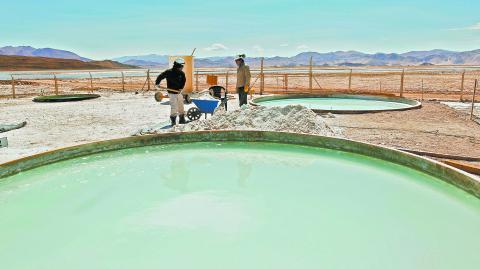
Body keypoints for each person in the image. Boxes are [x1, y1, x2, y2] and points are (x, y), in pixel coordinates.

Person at [155, 58, 187, 126]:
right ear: (177, 65)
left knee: (181, 106)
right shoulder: (168, 72)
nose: (182, 67)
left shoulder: (182, 73)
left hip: (179, 92)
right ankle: (173, 120)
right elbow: (160, 76)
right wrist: (157, 83)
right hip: (171, 93)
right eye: (182, 66)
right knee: (174, 107)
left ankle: (182, 119)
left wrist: (181, 88)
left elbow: (183, 81)